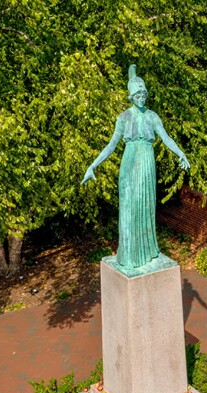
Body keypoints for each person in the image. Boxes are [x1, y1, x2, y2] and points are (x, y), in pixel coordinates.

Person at [81, 65, 190, 270]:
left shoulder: (152, 116)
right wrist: (93, 165)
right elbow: (111, 145)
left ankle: (147, 252)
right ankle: (129, 256)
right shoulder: (123, 117)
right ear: (131, 96)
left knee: (146, 206)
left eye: (143, 93)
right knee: (129, 207)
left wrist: (180, 153)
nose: (141, 97)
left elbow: (165, 138)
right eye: (137, 94)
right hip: (130, 162)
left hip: (147, 162)